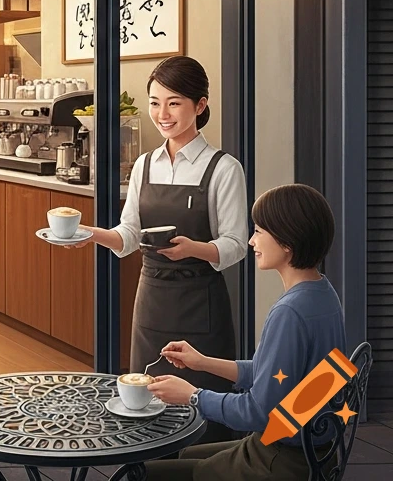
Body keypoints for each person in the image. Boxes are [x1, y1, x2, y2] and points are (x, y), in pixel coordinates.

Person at [74, 57, 247, 423]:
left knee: (201, 412)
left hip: (201, 306)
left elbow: (235, 244)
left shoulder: (224, 168)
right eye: (155, 103)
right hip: (152, 301)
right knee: (147, 404)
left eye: (174, 103)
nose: (162, 114)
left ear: (200, 105)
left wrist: (192, 249)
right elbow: (129, 235)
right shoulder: (145, 164)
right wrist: (88, 234)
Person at [142, 184, 346, 481]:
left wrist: (192, 396)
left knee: (142, 474)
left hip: (282, 460)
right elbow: (276, 377)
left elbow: (258, 412)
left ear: (287, 242)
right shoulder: (323, 295)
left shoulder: (289, 312)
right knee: (187, 455)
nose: (252, 241)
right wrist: (203, 362)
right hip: (315, 452)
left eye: (259, 231)